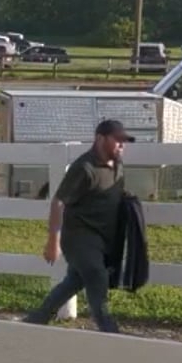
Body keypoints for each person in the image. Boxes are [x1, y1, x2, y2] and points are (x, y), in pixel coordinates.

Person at [21, 118, 133, 333]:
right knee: (96, 274)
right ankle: (107, 326)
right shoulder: (84, 168)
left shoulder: (117, 164)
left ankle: (37, 318)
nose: (122, 145)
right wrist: (53, 242)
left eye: (124, 141)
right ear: (100, 139)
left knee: (74, 280)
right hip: (79, 236)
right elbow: (58, 202)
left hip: (102, 237)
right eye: (117, 140)